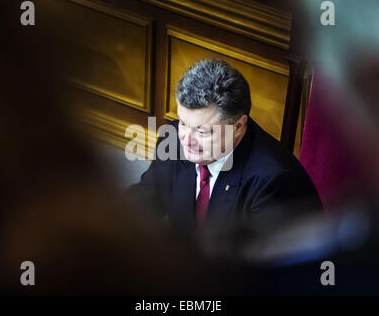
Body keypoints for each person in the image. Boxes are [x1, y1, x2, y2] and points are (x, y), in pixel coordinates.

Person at [127, 59, 322, 237]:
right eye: (183, 123)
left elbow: (262, 268)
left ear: (238, 127)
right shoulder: (173, 138)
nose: (187, 140)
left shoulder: (274, 182)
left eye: (202, 132)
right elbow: (150, 194)